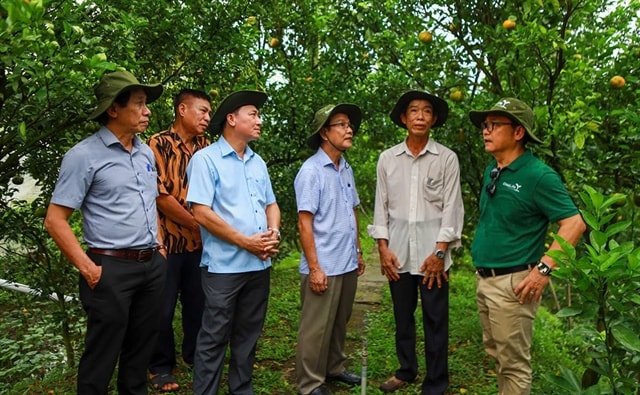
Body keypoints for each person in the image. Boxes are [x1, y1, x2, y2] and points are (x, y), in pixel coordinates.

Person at [44, 70, 166, 394]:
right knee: (101, 358)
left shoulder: (146, 152)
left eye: (145, 104)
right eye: (139, 104)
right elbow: (55, 220)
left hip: (151, 265)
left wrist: (161, 248)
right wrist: (89, 269)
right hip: (109, 269)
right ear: (114, 109)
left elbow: (151, 203)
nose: (147, 110)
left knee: (140, 356)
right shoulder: (83, 156)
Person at [468, 98, 586, 395]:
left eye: (494, 125)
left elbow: (574, 224)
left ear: (518, 132)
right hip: (486, 278)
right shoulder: (492, 170)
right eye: (485, 125)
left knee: (515, 365)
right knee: (497, 356)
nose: (486, 130)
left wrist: (543, 269)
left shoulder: (538, 176)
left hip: (514, 283)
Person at [367, 90, 464, 394]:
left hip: (432, 255)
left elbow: (452, 207)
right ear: (403, 118)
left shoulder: (446, 158)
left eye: (426, 112)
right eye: (413, 111)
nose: (420, 117)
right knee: (402, 316)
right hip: (398, 252)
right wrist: (382, 249)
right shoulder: (388, 159)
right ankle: (406, 369)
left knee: (435, 319)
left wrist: (440, 251)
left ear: (434, 119)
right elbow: (380, 207)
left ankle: (436, 383)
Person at [186, 90, 281, 395]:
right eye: (253, 114)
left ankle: (242, 389)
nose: (259, 120)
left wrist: (273, 233)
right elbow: (201, 211)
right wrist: (245, 242)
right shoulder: (206, 160)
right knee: (214, 337)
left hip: (259, 264)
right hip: (224, 268)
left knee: (248, 335)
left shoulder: (257, 162)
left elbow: (271, 205)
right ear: (231, 119)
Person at [294, 104, 367, 395]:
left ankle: (334, 367)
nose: (349, 130)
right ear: (325, 132)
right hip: (324, 263)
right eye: (342, 125)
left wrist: (358, 251)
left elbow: (352, 211)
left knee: (339, 321)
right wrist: (314, 268)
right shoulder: (311, 171)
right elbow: (304, 223)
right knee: (315, 328)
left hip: (346, 260)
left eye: (350, 125)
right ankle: (310, 383)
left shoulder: (344, 167)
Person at [146, 89, 212, 392]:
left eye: (210, 113)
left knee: (198, 303)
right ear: (182, 109)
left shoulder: (207, 146)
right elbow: (160, 195)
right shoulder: (157, 144)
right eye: (202, 111)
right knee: (162, 307)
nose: (207, 118)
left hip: (200, 245)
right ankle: (160, 367)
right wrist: (196, 223)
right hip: (167, 243)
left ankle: (194, 356)